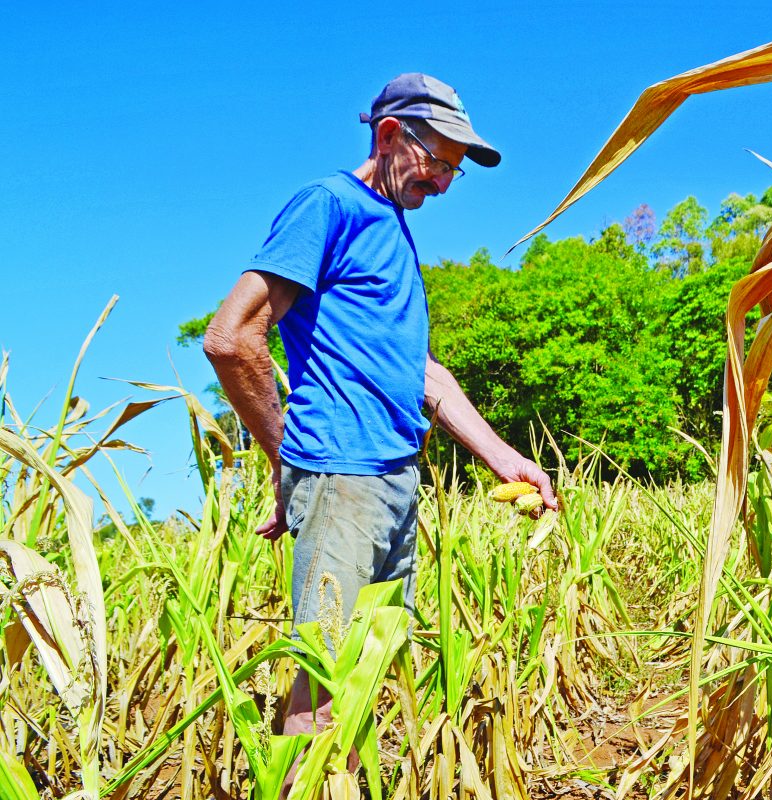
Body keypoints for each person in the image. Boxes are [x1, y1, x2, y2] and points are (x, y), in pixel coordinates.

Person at [203, 73, 557, 771]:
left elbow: (424, 374)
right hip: (343, 478)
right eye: (439, 160)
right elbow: (232, 336)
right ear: (390, 135)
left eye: (456, 168)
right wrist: (290, 457)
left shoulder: (391, 230)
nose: (447, 182)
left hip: (392, 484)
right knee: (323, 681)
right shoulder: (328, 206)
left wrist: (504, 456)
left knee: (368, 671)